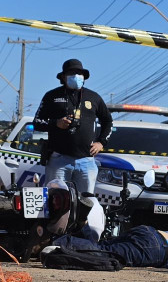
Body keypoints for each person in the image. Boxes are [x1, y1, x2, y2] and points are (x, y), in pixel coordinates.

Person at [33, 58, 113, 194]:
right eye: (71, 73)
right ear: (63, 77)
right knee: (56, 201)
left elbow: (108, 121)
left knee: (86, 202)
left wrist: (101, 142)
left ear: (84, 76)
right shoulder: (51, 96)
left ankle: (81, 216)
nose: (76, 76)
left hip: (87, 161)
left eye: (79, 73)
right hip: (59, 160)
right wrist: (56, 123)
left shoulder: (94, 97)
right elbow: (37, 122)